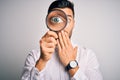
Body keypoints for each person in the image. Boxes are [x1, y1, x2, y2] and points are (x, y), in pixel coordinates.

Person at [21, 0, 103, 80]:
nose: (62, 27)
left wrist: (71, 64)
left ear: (73, 24)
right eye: (56, 19)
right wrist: (42, 61)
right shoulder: (35, 56)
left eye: (68, 19)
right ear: (48, 22)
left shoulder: (88, 56)